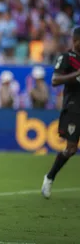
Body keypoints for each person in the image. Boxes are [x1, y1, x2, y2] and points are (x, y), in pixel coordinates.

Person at [41, 26, 80, 199]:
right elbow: (55, 80)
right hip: (74, 106)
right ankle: (50, 177)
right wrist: (77, 74)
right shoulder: (67, 58)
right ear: (75, 40)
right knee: (71, 149)